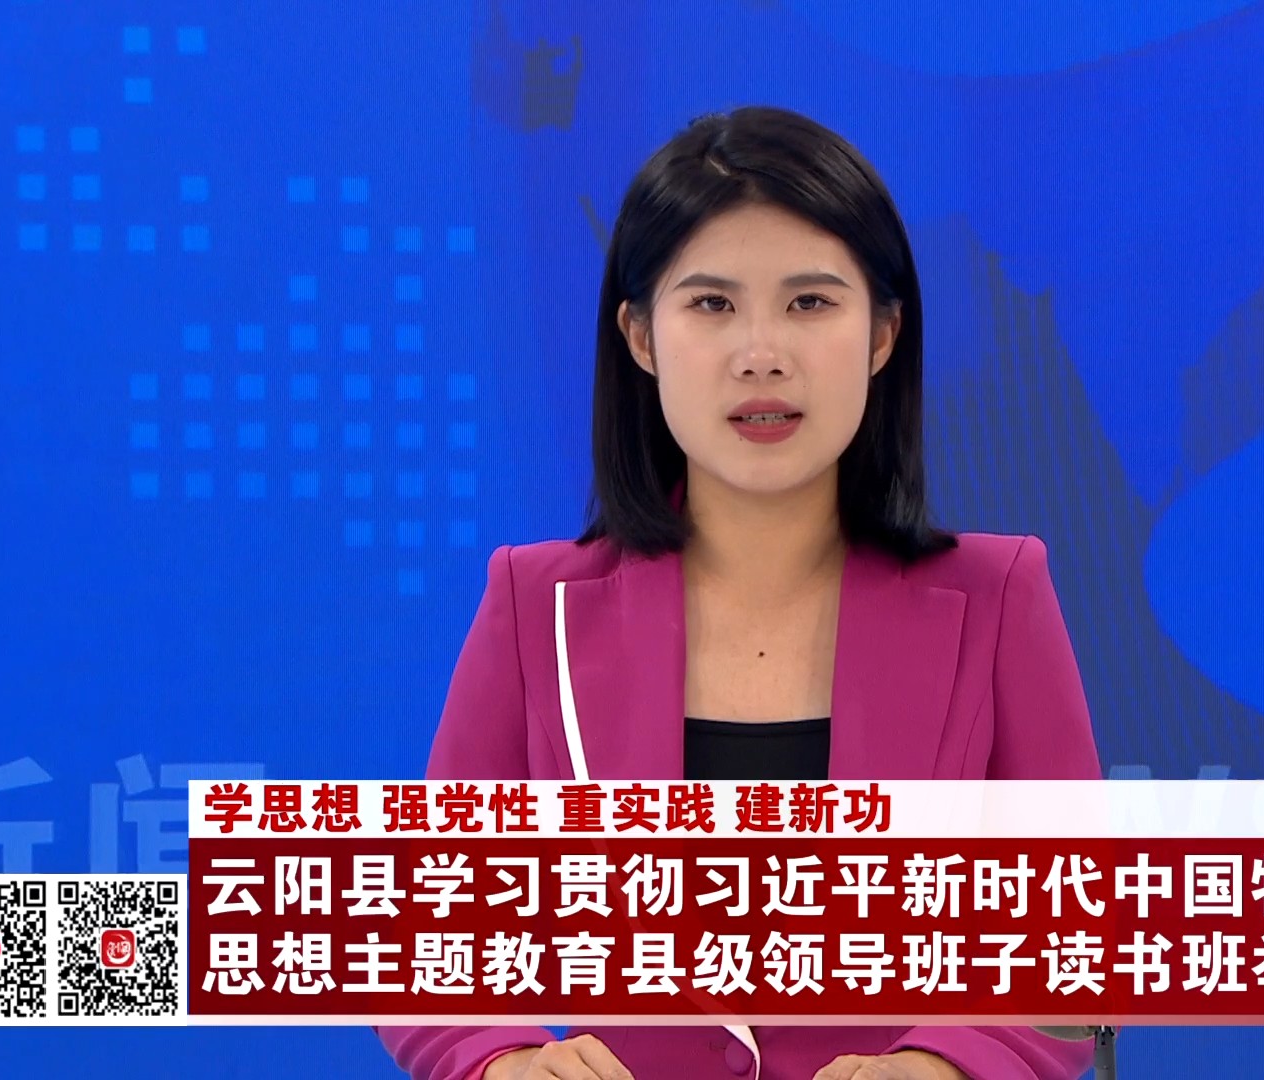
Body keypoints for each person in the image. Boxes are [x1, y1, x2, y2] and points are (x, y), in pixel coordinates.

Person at [378, 105, 1101, 1080]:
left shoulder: (999, 596)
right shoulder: (533, 607)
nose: (762, 352)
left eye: (811, 303)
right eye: (712, 305)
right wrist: (497, 1059)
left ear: (883, 333)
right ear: (640, 335)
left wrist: (947, 1064)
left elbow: (1078, 942)